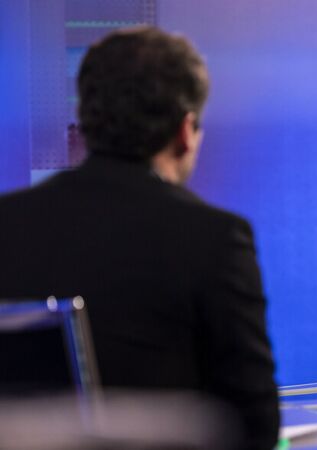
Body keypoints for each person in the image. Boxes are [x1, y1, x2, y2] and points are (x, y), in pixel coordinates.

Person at [0, 27, 279, 448]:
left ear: (88, 125)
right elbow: (254, 425)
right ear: (186, 130)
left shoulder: (7, 222)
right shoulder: (214, 238)